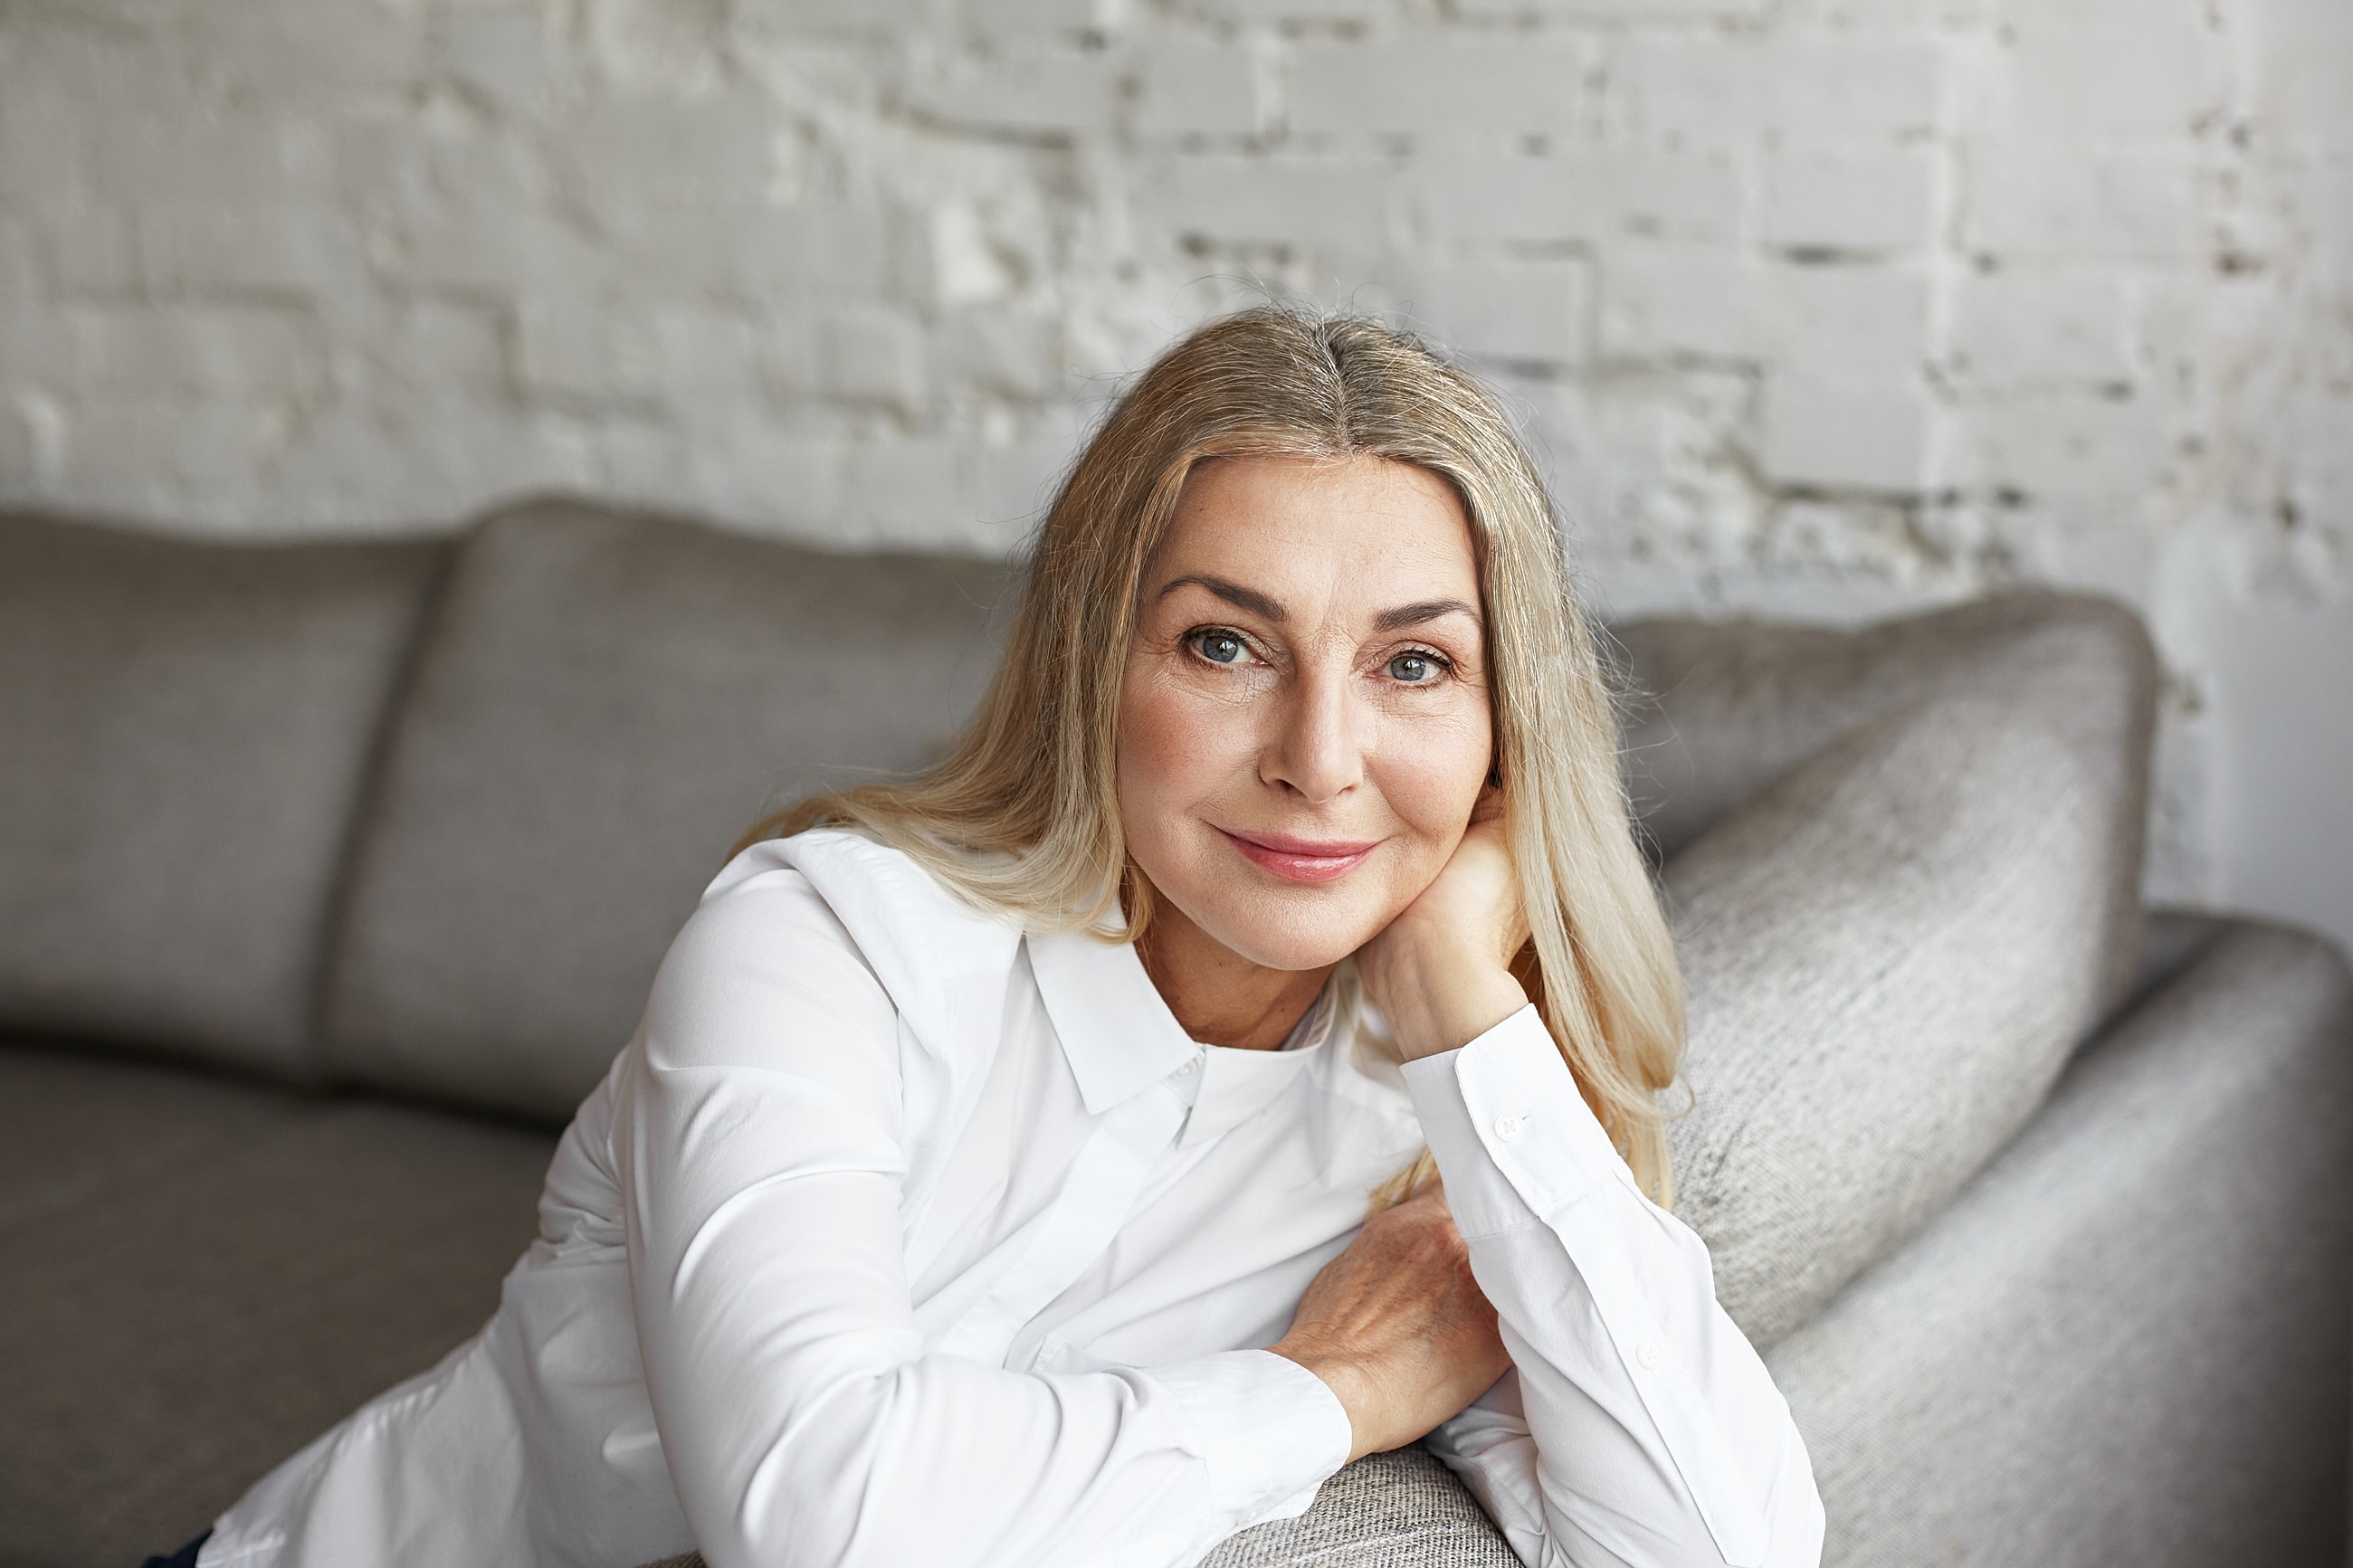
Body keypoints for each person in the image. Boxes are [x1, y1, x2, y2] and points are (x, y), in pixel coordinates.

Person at [190, 307, 1824, 1568]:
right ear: (1091, 664)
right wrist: (1326, 1393)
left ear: (1501, 726)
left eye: (1413, 666)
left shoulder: (1429, 1128)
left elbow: (1721, 1545)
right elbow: (817, 1516)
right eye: (1225, 643)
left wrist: (1471, 1013)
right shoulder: (828, 938)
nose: (1320, 758)